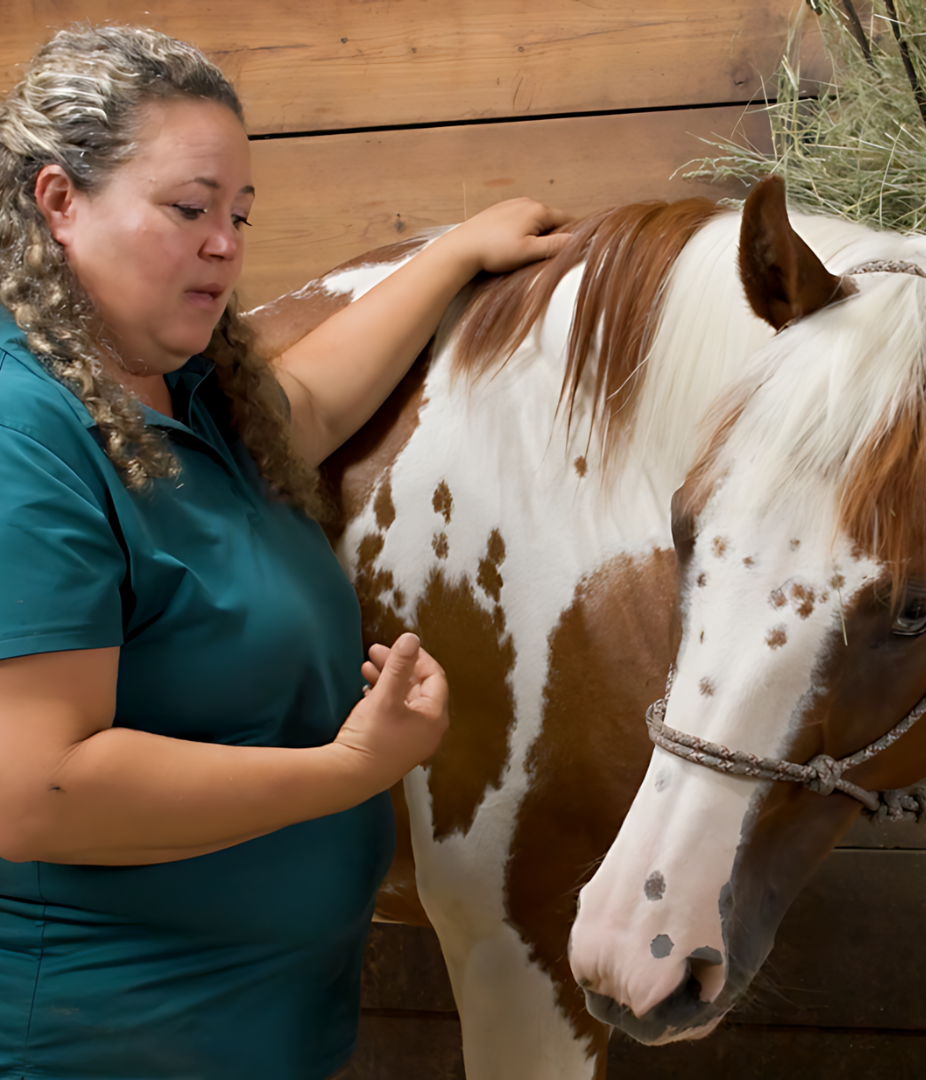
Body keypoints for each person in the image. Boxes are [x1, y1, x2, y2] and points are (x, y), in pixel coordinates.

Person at [0, 25, 570, 1080]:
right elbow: (35, 789)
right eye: (189, 208)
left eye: (239, 214)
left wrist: (451, 253)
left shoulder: (186, 394)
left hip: (256, 1037)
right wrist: (348, 772)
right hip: (92, 1047)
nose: (226, 242)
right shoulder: (22, 434)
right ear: (58, 202)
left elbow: (304, 401)